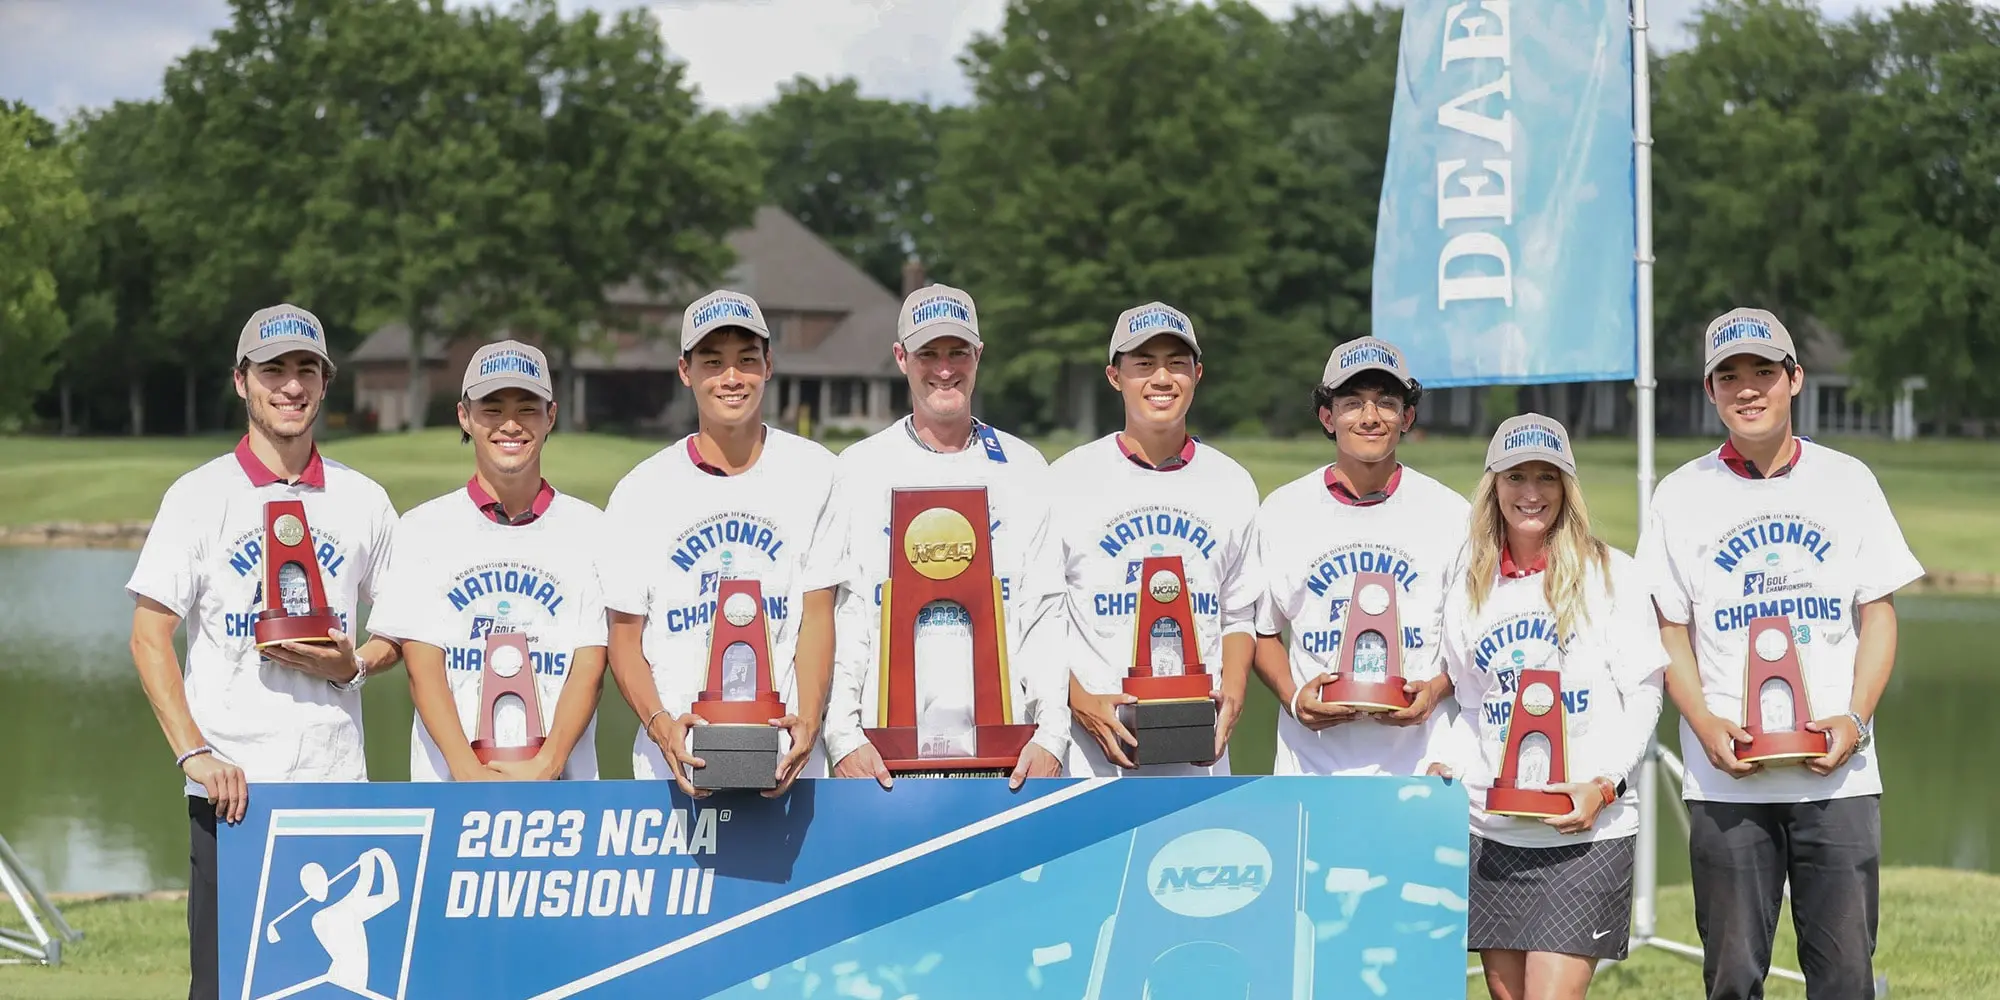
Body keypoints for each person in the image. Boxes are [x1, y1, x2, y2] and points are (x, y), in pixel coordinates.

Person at [1636, 307, 1923, 1000]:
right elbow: (1668, 628)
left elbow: (1877, 614)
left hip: (1838, 777)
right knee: (1733, 979)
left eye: (1763, 371)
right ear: (1710, 391)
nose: (1747, 388)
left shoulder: (1848, 480)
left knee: (1847, 978)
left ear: (1794, 379)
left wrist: (1855, 718)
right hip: (1727, 779)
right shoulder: (1679, 495)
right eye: (1728, 376)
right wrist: (1704, 725)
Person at [125, 304, 403, 1000]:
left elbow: (401, 630)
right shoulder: (197, 496)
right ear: (241, 381)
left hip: (337, 791)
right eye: (272, 369)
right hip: (234, 798)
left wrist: (356, 663)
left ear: (325, 381)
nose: (290, 385)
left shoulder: (364, 500)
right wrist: (195, 753)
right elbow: (149, 634)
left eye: (305, 369)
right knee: (223, 990)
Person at [1426, 413, 1668, 999]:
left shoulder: (1612, 575)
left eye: (1547, 477)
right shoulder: (1468, 582)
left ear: (1568, 489)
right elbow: (1472, 704)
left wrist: (1606, 784)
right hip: (1494, 832)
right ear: (1494, 486)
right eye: (1515, 477)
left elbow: (1644, 694)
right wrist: (1446, 763)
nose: (1531, 493)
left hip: (1586, 834)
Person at [821, 283, 1070, 790]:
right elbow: (846, 616)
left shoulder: (1024, 468)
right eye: (927, 353)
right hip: (881, 755)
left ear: (979, 355)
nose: (944, 368)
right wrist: (843, 737)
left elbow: (1044, 613)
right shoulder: (856, 470)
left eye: (958, 352)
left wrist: (1052, 735)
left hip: (1007, 753)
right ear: (900, 357)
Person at [600, 290, 846, 799]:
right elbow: (625, 639)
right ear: (685, 371)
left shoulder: (817, 472)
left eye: (746, 360)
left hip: (786, 759)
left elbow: (817, 615)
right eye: (712, 362)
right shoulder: (639, 491)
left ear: (769, 365)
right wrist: (660, 724)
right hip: (672, 766)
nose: (731, 377)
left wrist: (810, 720)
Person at [364, 341, 608, 782]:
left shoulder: (593, 529)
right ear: (465, 416)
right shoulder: (423, 528)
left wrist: (549, 765)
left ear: (551, 416)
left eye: (527, 409)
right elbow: (423, 665)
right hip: (451, 791)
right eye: (492, 409)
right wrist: (466, 770)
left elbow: (589, 664)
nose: (510, 425)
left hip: (563, 794)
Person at [1048, 302, 1260, 775]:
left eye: (1176, 364)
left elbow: (1239, 611)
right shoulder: (1066, 480)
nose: (1162, 379)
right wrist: (1079, 701)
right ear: (1114, 376)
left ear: (1197, 374)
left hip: (1199, 756)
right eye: (1143, 364)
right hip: (1091, 757)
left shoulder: (1233, 483)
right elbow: (1035, 620)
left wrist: (1235, 693)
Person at [1247, 336, 1466, 775]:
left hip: (1422, 767)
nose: (1370, 418)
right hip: (1312, 768)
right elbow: (1262, 632)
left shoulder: (1453, 513)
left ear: (1407, 417)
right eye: (1352, 403)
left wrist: (1438, 689)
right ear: (1328, 417)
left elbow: (1468, 643)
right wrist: (1294, 698)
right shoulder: (1281, 511)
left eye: (1386, 402)